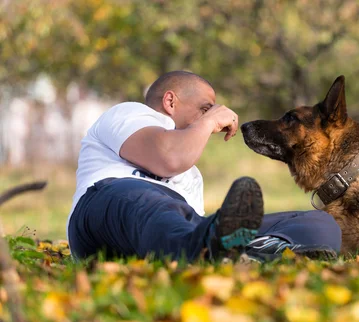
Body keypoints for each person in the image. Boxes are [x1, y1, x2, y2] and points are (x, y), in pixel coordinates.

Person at [67, 71, 341, 262]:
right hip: (106, 207)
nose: (212, 117)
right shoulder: (130, 113)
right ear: (170, 101)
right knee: (154, 204)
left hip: (165, 234)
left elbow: (185, 212)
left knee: (319, 223)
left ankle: (261, 251)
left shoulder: (191, 177)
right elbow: (169, 159)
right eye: (205, 108)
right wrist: (208, 122)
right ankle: (203, 251)